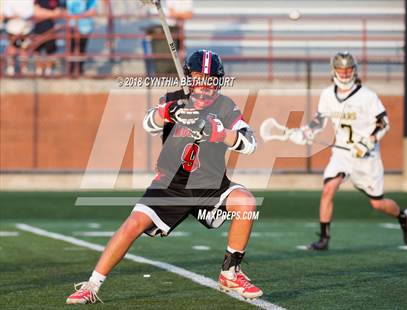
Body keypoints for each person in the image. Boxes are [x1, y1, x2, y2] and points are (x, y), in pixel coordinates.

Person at [66, 50, 263, 304]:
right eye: (198, 79)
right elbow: (149, 123)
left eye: (210, 80)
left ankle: (230, 272)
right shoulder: (173, 100)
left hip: (211, 184)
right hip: (170, 185)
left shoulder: (225, 107)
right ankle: (91, 285)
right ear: (188, 79)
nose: (204, 85)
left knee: (246, 202)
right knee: (132, 224)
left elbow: (250, 144)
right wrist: (170, 112)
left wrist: (219, 131)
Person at [289, 51, 407, 250]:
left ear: (354, 71)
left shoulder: (367, 96)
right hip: (342, 154)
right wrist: (305, 131)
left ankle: (403, 216)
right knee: (329, 188)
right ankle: (324, 239)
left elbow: (383, 122)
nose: (345, 74)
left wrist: (368, 141)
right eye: (341, 69)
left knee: (378, 203)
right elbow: (319, 121)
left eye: (348, 69)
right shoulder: (327, 94)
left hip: (366, 156)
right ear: (334, 71)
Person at [1, 0, 34, 75]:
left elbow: (30, 12)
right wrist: (15, 15)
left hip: (24, 30)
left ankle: (24, 70)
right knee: (11, 50)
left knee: (24, 49)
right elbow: (6, 12)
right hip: (12, 29)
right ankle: (10, 69)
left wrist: (20, 15)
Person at [33, 0, 65, 76]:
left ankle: (48, 71)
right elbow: (36, 12)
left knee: (50, 51)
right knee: (37, 50)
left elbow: (59, 13)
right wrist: (52, 14)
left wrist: (43, 13)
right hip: (38, 29)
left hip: (51, 30)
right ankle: (39, 70)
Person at [65, 0, 97, 76]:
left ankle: (80, 70)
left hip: (85, 27)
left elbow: (92, 11)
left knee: (82, 49)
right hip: (72, 26)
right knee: (71, 49)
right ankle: (71, 70)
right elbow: (67, 11)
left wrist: (77, 16)